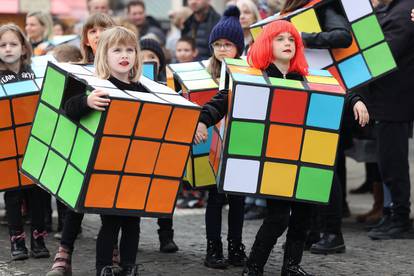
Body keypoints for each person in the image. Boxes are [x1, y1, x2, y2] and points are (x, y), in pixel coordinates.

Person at [234, 19, 368, 276]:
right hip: (274, 159)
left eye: (292, 39)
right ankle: (254, 266)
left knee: (303, 216)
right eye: (280, 39)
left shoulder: (306, 76)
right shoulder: (256, 77)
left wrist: (356, 101)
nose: (287, 43)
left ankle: (292, 266)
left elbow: (338, 88)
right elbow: (222, 101)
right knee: (278, 217)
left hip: (303, 156)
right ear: (266, 44)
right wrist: (203, 121)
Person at [61, 26, 144, 276]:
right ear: (103, 56)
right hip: (105, 166)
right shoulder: (99, 86)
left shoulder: (144, 89)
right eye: (117, 50)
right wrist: (87, 102)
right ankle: (103, 268)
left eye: (130, 49)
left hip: (134, 167)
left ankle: (128, 265)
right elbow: (69, 108)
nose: (124, 55)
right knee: (111, 220)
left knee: (133, 220)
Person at [278, 0, 354, 254]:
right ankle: (312, 229)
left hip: (324, 93)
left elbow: (343, 36)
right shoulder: (290, 11)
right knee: (307, 165)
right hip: (303, 92)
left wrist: (303, 37)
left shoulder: (325, 7)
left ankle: (333, 232)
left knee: (323, 165)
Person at [46, 13, 116, 276]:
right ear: (86, 38)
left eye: (104, 29)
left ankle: (112, 253)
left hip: (113, 149)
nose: (98, 35)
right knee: (76, 205)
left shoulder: (123, 70)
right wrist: (86, 102)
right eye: (92, 31)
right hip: (83, 147)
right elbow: (68, 108)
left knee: (112, 205)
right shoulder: (78, 70)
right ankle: (64, 255)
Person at [193, 6, 247, 270]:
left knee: (238, 199)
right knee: (214, 198)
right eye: (217, 44)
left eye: (228, 44)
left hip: (239, 142)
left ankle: (236, 246)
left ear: (239, 46)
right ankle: (213, 248)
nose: (222, 48)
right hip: (210, 143)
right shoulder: (205, 72)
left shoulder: (248, 72)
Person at [363, 0, 414, 240]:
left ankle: (400, 218)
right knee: (387, 162)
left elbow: (384, 53)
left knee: (393, 162)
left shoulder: (404, 10)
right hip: (386, 101)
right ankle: (391, 214)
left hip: (394, 101)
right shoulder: (393, 8)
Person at [0, 23, 50, 261]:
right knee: (13, 194)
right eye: (2, 45)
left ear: (23, 48)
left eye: (13, 44)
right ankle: (17, 242)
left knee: (39, 193)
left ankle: (39, 239)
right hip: (8, 146)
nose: (8, 49)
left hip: (36, 142)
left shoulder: (37, 71)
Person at [139, 37, 180, 253]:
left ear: (161, 62)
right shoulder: (132, 84)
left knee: (164, 191)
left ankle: (166, 235)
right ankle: (131, 235)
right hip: (139, 146)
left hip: (163, 147)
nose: (147, 61)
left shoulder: (168, 84)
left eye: (152, 57)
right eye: (143, 56)